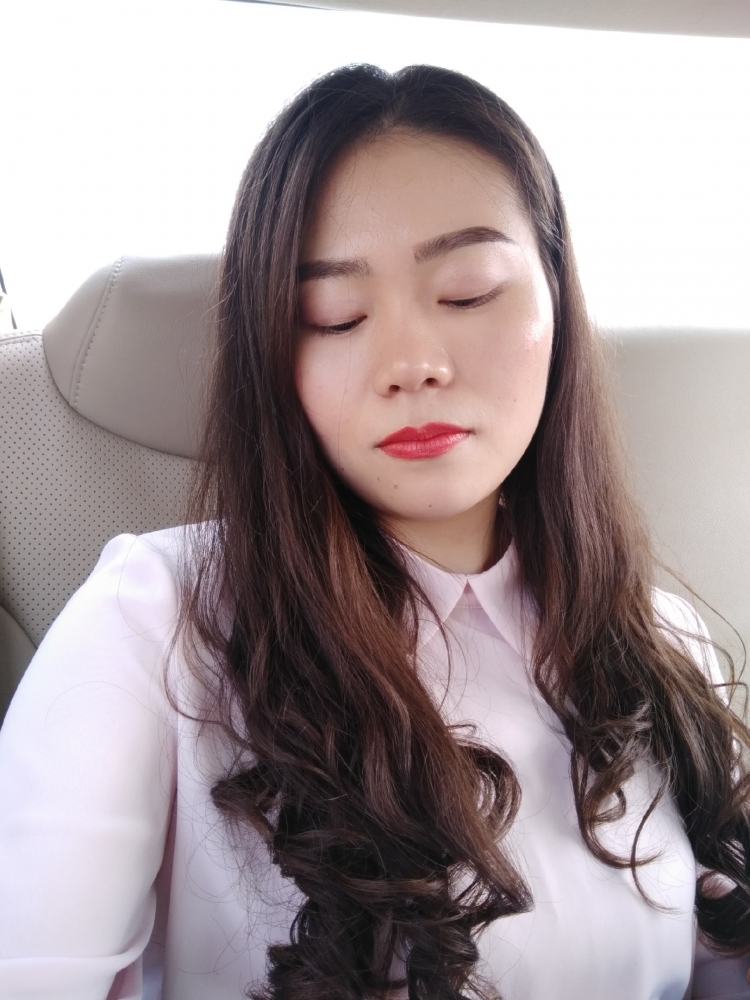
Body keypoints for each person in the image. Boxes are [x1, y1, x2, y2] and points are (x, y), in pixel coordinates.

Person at [0, 63, 748, 1000]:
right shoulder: (153, 621)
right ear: (273, 352)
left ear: (557, 301)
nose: (412, 362)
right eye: (335, 315)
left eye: (468, 292)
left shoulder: (665, 638)